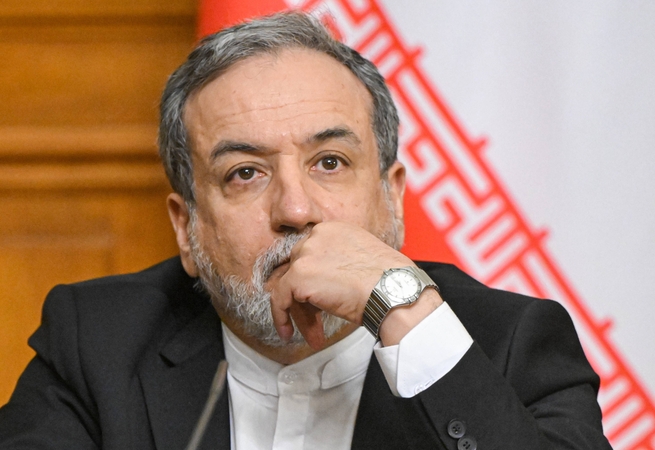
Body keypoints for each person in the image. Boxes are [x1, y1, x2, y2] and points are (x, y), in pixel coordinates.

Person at [0, 12, 612, 450]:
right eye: (245, 173)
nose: (296, 209)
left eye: (330, 163)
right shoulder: (97, 342)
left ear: (392, 198)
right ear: (186, 229)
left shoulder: (509, 347)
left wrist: (402, 310)